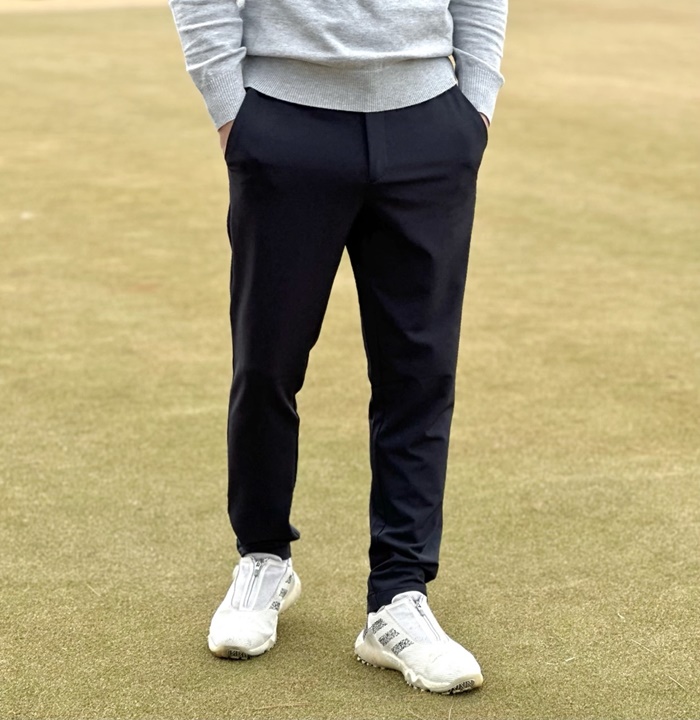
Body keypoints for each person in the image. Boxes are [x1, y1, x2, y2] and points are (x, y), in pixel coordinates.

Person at [168, 0, 507, 694]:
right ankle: (263, 557)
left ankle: (398, 596)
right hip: (282, 118)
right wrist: (232, 112)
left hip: (429, 122)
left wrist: (475, 107)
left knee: (419, 373)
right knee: (267, 363)